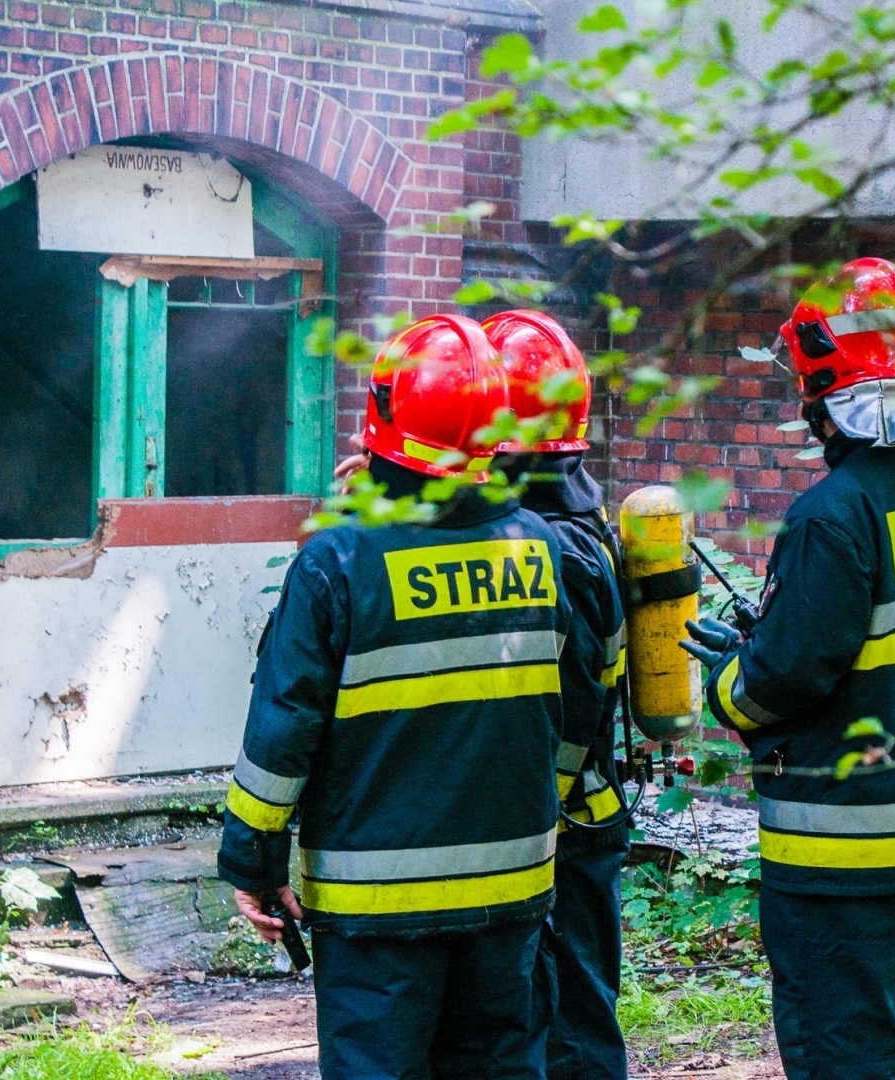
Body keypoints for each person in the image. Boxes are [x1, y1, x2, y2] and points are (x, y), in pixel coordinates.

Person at [219, 313, 584, 1080]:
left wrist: (253, 856)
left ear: (380, 424)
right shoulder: (543, 551)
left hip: (375, 908)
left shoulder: (337, 564)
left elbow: (284, 730)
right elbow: (573, 716)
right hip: (510, 895)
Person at [681, 258, 895, 1080]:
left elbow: (782, 682)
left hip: (843, 856)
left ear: (823, 390)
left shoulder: (832, 515)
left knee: (846, 1056)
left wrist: (727, 679)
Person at [484, 309, 631, 1080]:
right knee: (576, 1011)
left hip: (558, 825)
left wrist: (537, 806)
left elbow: (565, 710)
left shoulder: (549, 545)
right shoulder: (580, 514)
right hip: (582, 816)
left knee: (566, 1025)